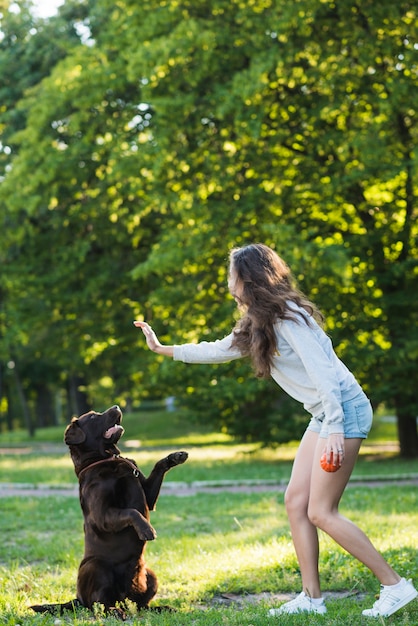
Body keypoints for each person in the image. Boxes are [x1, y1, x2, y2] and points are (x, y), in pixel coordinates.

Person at [134, 243, 417, 618]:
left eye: (231, 274)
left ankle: (395, 586)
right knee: (295, 502)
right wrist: (163, 348)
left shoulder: (289, 318)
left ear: (248, 277)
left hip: (341, 413)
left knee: (321, 511)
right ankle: (312, 599)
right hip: (325, 416)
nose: (228, 282)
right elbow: (219, 350)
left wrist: (334, 429)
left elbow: (325, 375)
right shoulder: (259, 321)